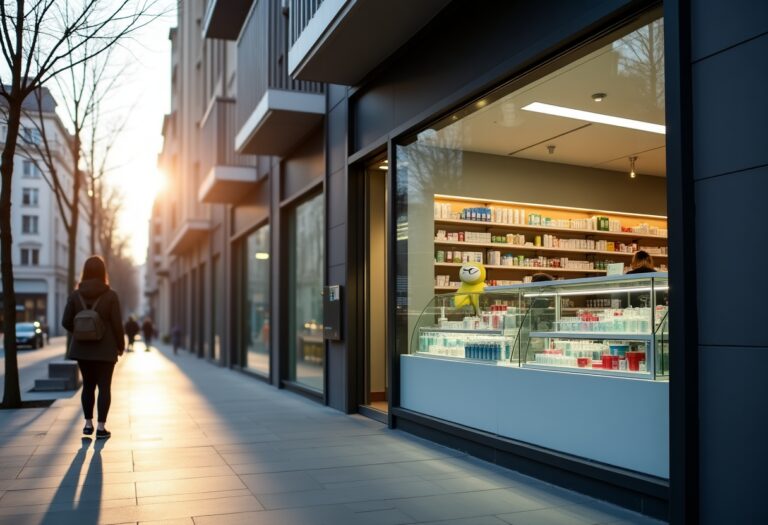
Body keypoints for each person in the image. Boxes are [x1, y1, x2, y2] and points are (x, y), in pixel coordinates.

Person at [62, 255, 124, 439]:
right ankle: (101, 428)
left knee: (88, 386)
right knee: (105, 387)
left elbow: (65, 321)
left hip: (82, 350)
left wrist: (81, 333)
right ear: (103, 272)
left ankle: (87, 425)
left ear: (85, 272)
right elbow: (117, 324)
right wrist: (120, 346)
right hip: (106, 350)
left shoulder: (75, 295)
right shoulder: (111, 295)